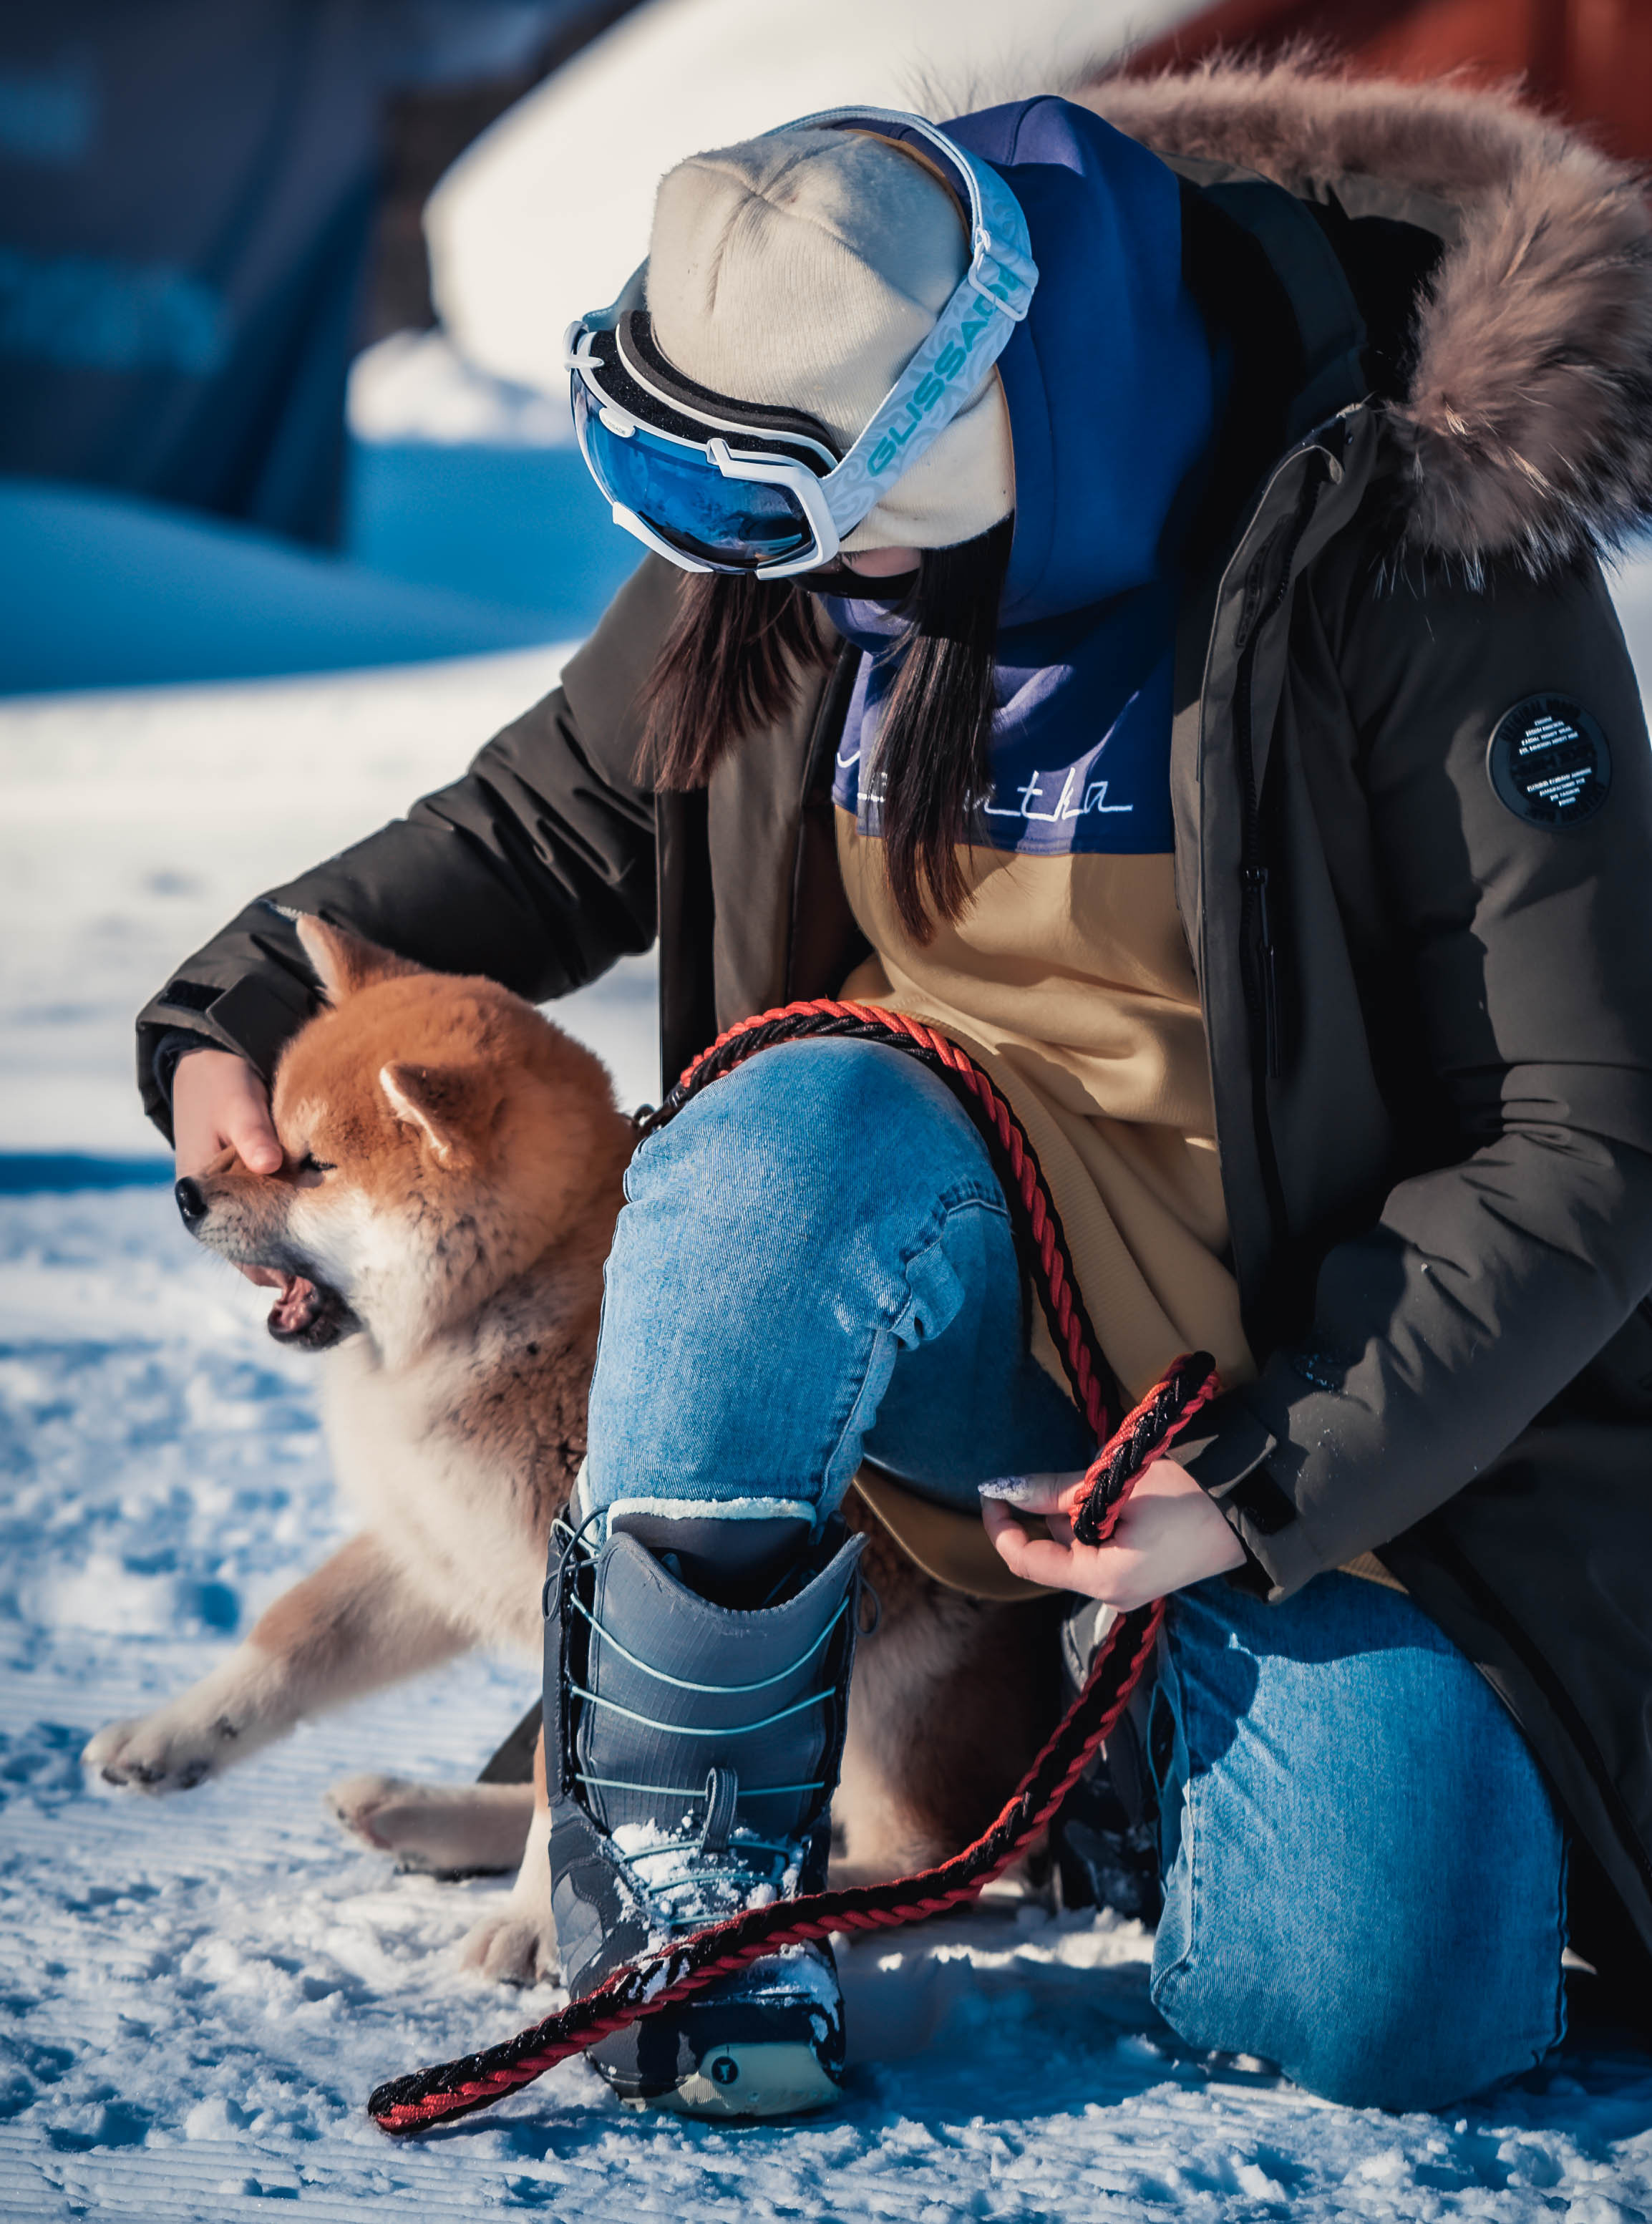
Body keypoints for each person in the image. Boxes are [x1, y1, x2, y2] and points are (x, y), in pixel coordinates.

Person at [142, 59, 1652, 2119]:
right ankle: (679, 1859)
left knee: (1378, 2014)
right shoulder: (782, 506)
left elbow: (1582, 1133)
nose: (757, 578)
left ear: (964, 412)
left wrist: (1268, 1486)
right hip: (937, 1277)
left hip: (1320, 1409)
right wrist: (226, 1007)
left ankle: (1137, 1738)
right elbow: (550, 816)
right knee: (781, 1133)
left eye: (801, 527)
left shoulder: (1399, 546)